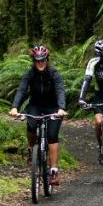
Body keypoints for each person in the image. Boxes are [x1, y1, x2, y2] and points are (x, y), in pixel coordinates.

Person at [8, 44, 68, 185]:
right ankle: (31, 149)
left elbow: (60, 91)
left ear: (47, 60)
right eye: (37, 60)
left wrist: (61, 108)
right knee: (31, 125)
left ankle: (53, 171)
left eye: (43, 60)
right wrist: (14, 107)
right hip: (35, 106)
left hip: (53, 108)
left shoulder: (54, 74)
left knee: (52, 136)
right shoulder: (29, 75)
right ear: (33, 61)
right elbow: (21, 90)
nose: (40, 63)